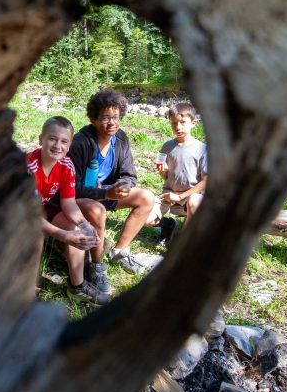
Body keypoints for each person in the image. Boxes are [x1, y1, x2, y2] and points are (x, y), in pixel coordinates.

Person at [68, 89, 159, 275]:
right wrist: (103, 193)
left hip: (108, 193)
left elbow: (129, 175)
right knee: (97, 210)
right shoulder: (80, 143)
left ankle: (119, 252)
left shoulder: (120, 139)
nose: (112, 123)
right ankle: (97, 265)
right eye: (105, 118)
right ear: (93, 120)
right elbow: (72, 187)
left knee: (147, 198)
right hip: (82, 197)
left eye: (116, 117)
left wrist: (124, 185)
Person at [27, 116, 112, 305]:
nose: (57, 145)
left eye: (64, 141)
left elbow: (69, 203)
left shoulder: (66, 165)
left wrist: (84, 224)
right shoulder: (29, 167)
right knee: (36, 235)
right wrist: (63, 236)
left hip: (42, 205)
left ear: (69, 145)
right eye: (52, 139)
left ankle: (77, 286)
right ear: (41, 139)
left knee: (77, 229)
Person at [155, 102, 208, 243]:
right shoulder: (167, 146)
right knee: (148, 218)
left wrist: (180, 197)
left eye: (183, 122)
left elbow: (206, 181)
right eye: (174, 123)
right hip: (169, 193)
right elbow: (166, 177)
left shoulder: (202, 149)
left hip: (191, 196)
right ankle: (169, 225)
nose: (178, 127)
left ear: (193, 123)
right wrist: (163, 171)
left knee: (194, 202)